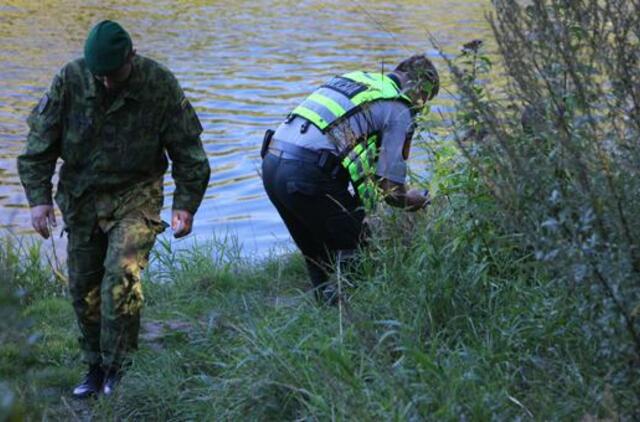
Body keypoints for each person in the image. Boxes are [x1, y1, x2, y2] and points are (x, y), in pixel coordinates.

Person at [17, 20, 211, 398]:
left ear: (131, 57)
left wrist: (185, 205)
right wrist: (38, 199)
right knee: (83, 288)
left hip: (135, 194)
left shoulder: (159, 84)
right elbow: (39, 143)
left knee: (120, 275)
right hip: (81, 196)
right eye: (99, 75)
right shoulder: (70, 80)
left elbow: (189, 152)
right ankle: (94, 366)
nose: (106, 82)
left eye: (113, 74)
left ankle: (118, 368)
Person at [261, 55, 438, 304]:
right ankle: (355, 316)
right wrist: (413, 200)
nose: (421, 106)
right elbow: (390, 189)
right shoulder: (399, 107)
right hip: (306, 172)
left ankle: (325, 310)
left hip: (270, 163)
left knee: (315, 251)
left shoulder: (357, 80)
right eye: (425, 99)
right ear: (420, 88)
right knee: (356, 247)